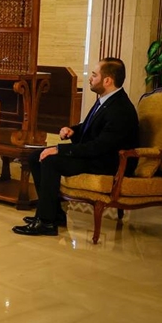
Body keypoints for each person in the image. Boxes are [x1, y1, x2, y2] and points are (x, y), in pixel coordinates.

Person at [13, 57, 139, 236]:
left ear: (107, 80)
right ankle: (55, 214)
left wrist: (60, 149)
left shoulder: (120, 109)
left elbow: (99, 146)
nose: (90, 78)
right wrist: (73, 131)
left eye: (94, 75)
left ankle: (46, 222)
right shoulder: (106, 100)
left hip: (108, 163)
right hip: (96, 155)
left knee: (51, 161)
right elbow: (92, 129)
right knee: (35, 157)